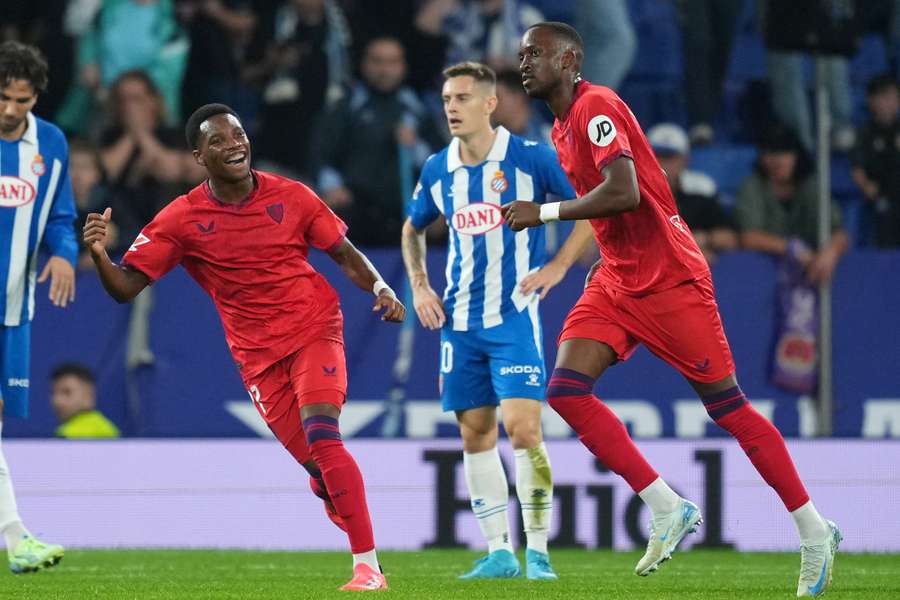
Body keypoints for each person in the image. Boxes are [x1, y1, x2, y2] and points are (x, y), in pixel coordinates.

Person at [504, 22, 842, 597]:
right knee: (565, 391)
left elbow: (625, 191)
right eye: (521, 53)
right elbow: (609, 208)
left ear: (569, 60)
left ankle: (813, 530)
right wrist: (597, 254)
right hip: (617, 279)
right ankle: (666, 507)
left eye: (535, 52)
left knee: (728, 408)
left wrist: (546, 212)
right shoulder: (561, 125)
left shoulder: (596, 106)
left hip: (670, 279)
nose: (524, 61)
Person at [83, 103, 405, 591]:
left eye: (237, 135)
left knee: (323, 435)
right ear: (198, 156)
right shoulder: (183, 218)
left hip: (315, 327)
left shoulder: (292, 196)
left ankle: (367, 566)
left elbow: (343, 252)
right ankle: (330, 488)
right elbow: (126, 287)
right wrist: (101, 255)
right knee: (318, 466)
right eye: (217, 140)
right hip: (257, 357)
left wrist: (381, 287)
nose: (233, 144)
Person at [402, 61, 592, 580]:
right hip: (459, 322)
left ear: (490, 104)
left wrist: (557, 265)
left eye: (462, 98)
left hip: (513, 317)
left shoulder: (530, 158)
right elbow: (412, 227)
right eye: (446, 100)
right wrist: (419, 285)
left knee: (524, 429)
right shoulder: (438, 168)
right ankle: (499, 552)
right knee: (476, 434)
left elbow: (590, 208)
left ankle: (539, 554)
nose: (451, 109)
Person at [0, 41, 71, 574]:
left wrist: (65, 256)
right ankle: (16, 537)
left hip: (14, 308)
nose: (9, 110)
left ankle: (15, 539)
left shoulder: (51, 143)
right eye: (2, 98)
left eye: (21, 101)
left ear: (36, 97)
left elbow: (61, 218)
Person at [309, 36, 442, 246]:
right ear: (364, 64)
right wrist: (332, 187)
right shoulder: (347, 106)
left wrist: (415, 145)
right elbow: (320, 152)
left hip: (406, 207)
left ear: (403, 66)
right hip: (355, 205)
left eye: (392, 62)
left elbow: (442, 161)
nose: (384, 69)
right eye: (377, 61)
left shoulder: (416, 108)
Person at [735, 125, 849, 280]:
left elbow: (840, 233)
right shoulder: (753, 186)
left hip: (812, 274)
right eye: (771, 154)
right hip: (762, 275)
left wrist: (830, 254)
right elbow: (749, 237)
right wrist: (791, 249)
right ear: (762, 158)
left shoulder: (811, 186)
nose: (778, 161)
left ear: (796, 156)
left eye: (784, 153)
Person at [646, 123, 738, 263]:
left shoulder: (701, 188)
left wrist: (705, 238)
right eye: (657, 156)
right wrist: (690, 248)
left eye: (670, 157)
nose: (663, 164)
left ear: (685, 160)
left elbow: (729, 238)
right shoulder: (632, 191)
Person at [851, 74, 900, 248]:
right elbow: (857, 170)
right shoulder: (865, 133)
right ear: (871, 101)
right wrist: (867, 188)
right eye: (884, 97)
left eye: (894, 97)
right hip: (882, 196)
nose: (890, 103)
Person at [49, 363, 120, 439]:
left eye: (67, 392)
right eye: (53, 393)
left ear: (88, 395)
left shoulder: (67, 435)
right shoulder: (109, 429)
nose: (57, 401)